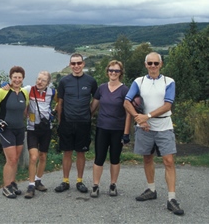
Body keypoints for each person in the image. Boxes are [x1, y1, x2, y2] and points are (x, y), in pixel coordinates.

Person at [123, 52, 184, 215]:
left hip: (164, 125)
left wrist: (147, 116)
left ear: (161, 64)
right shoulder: (139, 81)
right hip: (144, 127)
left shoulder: (169, 81)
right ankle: (151, 189)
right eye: (150, 63)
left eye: (156, 63)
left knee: (168, 161)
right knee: (147, 158)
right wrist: (138, 118)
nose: (153, 66)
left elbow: (167, 105)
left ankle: (172, 198)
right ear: (145, 65)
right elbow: (126, 102)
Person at [1, 71, 57, 199]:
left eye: (43, 80)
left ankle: (38, 180)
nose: (39, 82)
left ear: (48, 83)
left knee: (43, 156)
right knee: (33, 157)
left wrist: (54, 112)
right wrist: (5, 84)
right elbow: (14, 88)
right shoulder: (28, 89)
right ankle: (31, 185)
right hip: (32, 129)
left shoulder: (52, 92)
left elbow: (61, 100)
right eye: (38, 79)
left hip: (46, 128)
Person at [55, 53, 98, 193]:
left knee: (81, 152)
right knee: (67, 152)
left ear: (83, 64)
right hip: (67, 122)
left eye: (79, 63)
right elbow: (60, 103)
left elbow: (96, 101)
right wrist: (60, 122)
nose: (76, 66)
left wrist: (89, 114)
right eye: (73, 64)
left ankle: (79, 181)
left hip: (83, 123)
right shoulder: (64, 81)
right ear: (69, 65)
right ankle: (65, 181)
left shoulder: (91, 81)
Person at [90, 60, 131, 198]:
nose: (113, 73)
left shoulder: (125, 90)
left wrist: (126, 133)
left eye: (116, 71)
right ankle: (95, 185)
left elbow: (128, 113)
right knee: (99, 158)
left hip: (117, 129)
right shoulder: (101, 88)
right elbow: (92, 108)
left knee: (115, 158)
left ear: (121, 73)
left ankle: (113, 184)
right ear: (107, 72)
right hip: (102, 128)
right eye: (111, 70)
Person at [0, 66, 28, 199]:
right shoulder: (3, 91)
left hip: (20, 129)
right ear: (10, 78)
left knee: (15, 158)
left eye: (19, 77)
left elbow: (25, 110)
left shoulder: (24, 92)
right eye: (14, 77)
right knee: (11, 159)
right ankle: (6, 187)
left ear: (23, 79)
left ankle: (12, 183)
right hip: (6, 129)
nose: (17, 80)